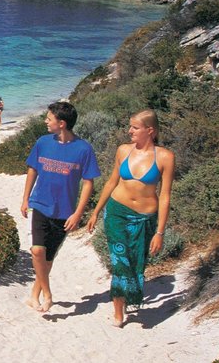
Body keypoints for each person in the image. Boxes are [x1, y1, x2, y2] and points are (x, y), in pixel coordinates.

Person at [87, 109, 174, 328]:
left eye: (135, 127)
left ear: (150, 130)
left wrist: (160, 232)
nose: (130, 131)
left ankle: (127, 298)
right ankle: (118, 310)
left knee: (136, 263)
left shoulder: (165, 157)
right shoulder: (123, 151)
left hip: (144, 219)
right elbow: (111, 182)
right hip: (116, 213)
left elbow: (164, 197)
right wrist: (96, 211)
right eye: (130, 126)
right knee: (119, 261)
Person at [21, 101, 100, 312]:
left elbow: (88, 183)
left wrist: (78, 213)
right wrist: (25, 198)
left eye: (49, 118)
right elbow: (32, 170)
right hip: (40, 204)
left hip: (64, 212)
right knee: (37, 251)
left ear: (62, 123)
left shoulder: (83, 149)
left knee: (47, 261)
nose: (46, 121)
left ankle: (34, 296)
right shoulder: (43, 142)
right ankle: (48, 294)